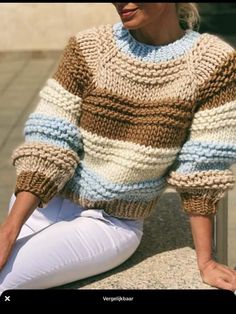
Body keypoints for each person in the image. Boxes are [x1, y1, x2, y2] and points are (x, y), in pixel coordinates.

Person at [0, 3, 236, 293]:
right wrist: (10, 228)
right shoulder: (88, 46)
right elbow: (50, 139)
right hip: (44, 203)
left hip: (111, 224)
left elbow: (202, 168)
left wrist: (207, 261)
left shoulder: (213, 62)